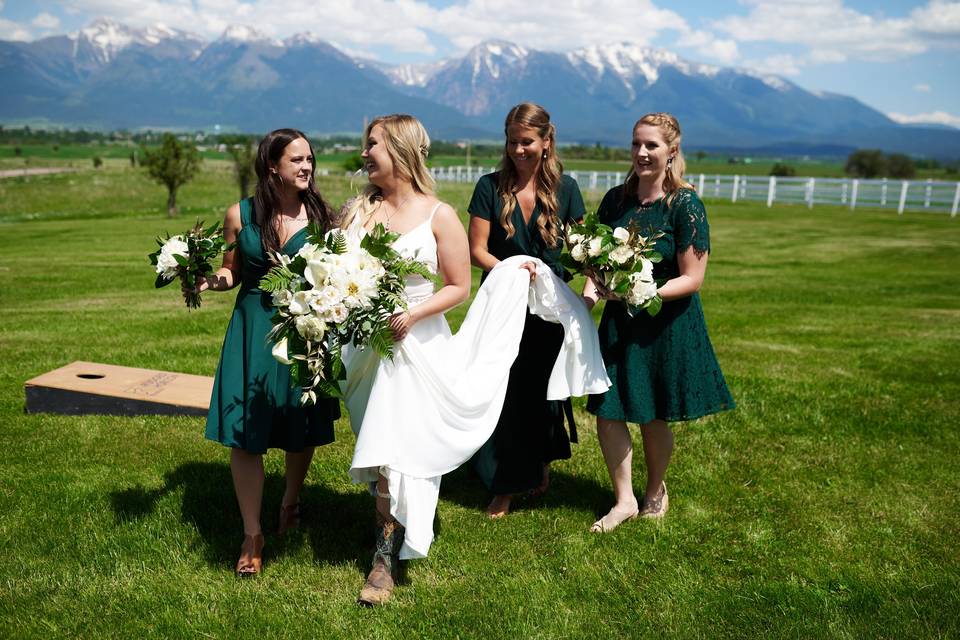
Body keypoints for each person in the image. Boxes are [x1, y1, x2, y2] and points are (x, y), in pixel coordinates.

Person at [340, 114, 609, 606]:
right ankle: (393, 525)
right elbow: (340, 272)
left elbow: (458, 286)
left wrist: (413, 313)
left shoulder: (438, 214)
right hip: (365, 348)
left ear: (399, 150)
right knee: (378, 443)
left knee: (393, 452)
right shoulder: (358, 213)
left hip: (415, 345)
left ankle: (383, 560)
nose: (364, 154)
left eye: (372, 145)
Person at [194, 128, 341, 575]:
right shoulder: (239, 215)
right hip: (252, 328)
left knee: (301, 420)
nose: (306, 166)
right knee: (246, 429)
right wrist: (209, 280)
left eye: (310, 159)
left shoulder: (322, 219)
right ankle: (252, 532)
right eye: (297, 160)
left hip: (304, 329)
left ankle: (290, 503)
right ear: (272, 165)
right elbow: (230, 270)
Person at [583, 112, 735, 533]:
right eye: (636, 144)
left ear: (672, 151)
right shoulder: (616, 200)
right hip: (620, 324)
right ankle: (624, 499)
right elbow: (596, 266)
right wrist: (589, 297)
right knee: (607, 410)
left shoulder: (685, 205)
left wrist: (642, 293)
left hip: (664, 325)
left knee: (652, 414)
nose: (642, 153)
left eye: (651, 145)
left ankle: (655, 491)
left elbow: (693, 278)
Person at [467, 102, 586, 518]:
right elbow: (477, 251)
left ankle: (539, 465)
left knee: (542, 389)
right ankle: (504, 483)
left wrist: (569, 279)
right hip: (503, 305)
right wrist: (515, 270)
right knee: (507, 390)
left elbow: (578, 251)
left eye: (527, 142)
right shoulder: (489, 186)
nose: (518, 149)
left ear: (546, 142)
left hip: (550, 309)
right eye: (513, 141)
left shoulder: (567, 190)